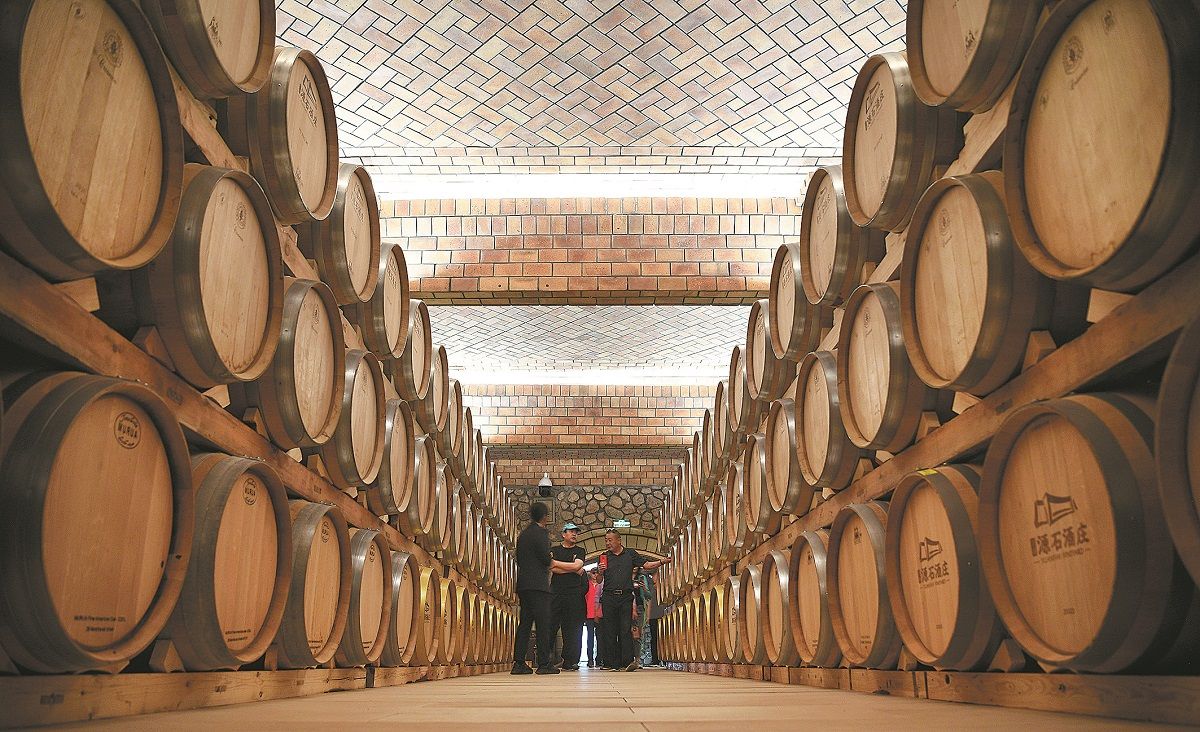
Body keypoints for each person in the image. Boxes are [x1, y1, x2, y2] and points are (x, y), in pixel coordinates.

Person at [512, 502, 580, 675]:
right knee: (543, 624)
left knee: (525, 624)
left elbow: (519, 559)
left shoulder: (524, 534)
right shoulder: (541, 533)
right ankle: (544, 664)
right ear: (544, 517)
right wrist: (554, 563)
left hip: (524, 584)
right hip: (538, 586)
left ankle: (518, 663)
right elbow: (544, 558)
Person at [595, 529, 672, 672]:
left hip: (625, 596)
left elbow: (646, 565)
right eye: (606, 540)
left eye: (610, 540)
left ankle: (626, 662)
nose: (607, 543)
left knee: (625, 629)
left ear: (619, 540)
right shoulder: (603, 557)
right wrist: (600, 571)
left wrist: (661, 562)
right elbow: (599, 580)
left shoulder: (630, 554)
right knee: (610, 630)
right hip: (608, 596)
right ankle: (611, 663)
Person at [548, 522, 586, 671]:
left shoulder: (580, 550)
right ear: (563, 534)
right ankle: (547, 659)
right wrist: (571, 568)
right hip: (556, 593)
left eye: (576, 532)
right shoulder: (554, 549)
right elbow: (551, 567)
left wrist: (559, 565)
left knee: (573, 628)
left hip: (574, 593)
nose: (574, 534)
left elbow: (577, 566)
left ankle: (570, 661)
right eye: (571, 531)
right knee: (551, 626)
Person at [584, 569, 601, 667]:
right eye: (593, 573)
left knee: (600, 637)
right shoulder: (587, 585)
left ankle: (599, 658)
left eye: (596, 573)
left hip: (599, 614)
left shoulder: (601, 584)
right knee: (589, 638)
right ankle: (590, 659)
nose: (595, 575)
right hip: (589, 614)